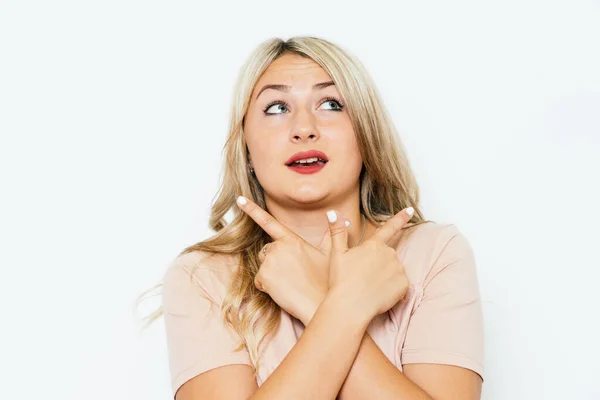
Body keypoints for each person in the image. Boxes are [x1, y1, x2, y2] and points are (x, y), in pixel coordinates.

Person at [136, 36, 485, 400]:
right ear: (246, 148)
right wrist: (347, 306)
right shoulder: (203, 276)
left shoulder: (435, 253)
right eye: (276, 108)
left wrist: (311, 298)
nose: (304, 128)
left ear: (366, 133)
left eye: (331, 103)